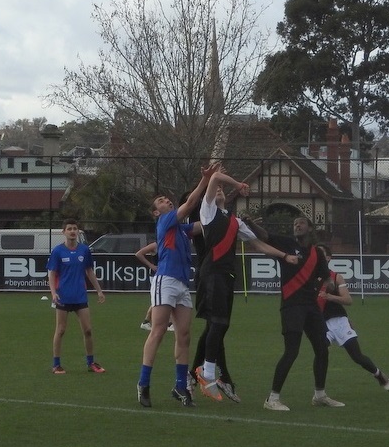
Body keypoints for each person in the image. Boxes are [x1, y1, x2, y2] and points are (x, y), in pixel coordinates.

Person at [192, 171, 297, 403]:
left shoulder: (235, 221)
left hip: (228, 276)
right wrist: (238, 182)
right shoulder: (208, 211)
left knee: (221, 325)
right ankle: (205, 373)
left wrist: (284, 256)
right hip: (212, 274)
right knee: (217, 323)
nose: (218, 190)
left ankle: (204, 373)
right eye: (216, 189)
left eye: (221, 190)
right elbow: (216, 176)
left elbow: (259, 245)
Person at [136, 162, 218, 409]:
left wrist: (218, 205)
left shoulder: (180, 229)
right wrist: (205, 180)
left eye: (167, 199)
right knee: (158, 330)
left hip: (182, 283)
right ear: (156, 212)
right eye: (161, 200)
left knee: (183, 334)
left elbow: (203, 223)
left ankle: (180, 386)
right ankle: (143, 383)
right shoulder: (164, 222)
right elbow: (191, 204)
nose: (167, 201)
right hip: (166, 280)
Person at [245, 215, 345, 411]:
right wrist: (249, 223)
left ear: (310, 228)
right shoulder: (287, 244)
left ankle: (320, 395)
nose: (297, 225)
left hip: (311, 307)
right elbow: (265, 236)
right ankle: (272, 399)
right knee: (292, 351)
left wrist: (331, 285)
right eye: (294, 224)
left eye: (301, 223)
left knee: (322, 349)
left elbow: (327, 279)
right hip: (292, 305)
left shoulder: (317, 253)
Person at [317, 243, 389, 390]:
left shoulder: (336, 277)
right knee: (321, 353)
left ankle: (378, 374)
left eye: (320, 253)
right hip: (321, 323)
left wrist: (329, 297)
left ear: (328, 258)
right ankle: (320, 392)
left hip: (339, 322)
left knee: (357, 357)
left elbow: (348, 300)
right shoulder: (309, 278)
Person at [47, 218, 106, 374]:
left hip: (80, 296)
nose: (72, 231)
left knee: (88, 330)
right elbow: (51, 274)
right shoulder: (58, 251)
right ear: (64, 232)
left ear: (78, 232)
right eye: (69, 229)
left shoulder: (84, 250)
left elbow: (89, 271)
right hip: (63, 296)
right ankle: (56, 364)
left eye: (75, 228)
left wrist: (99, 290)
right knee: (60, 330)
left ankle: (91, 363)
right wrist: (53, 293)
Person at [134, 245, 172, 333]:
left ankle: (147, 321)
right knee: (162, 298)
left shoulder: (167, 244)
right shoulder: (156, 245)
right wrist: (151, 265)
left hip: (164, 275)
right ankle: (169, 323)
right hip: (156, 275)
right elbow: (139, 254)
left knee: (162, 298)